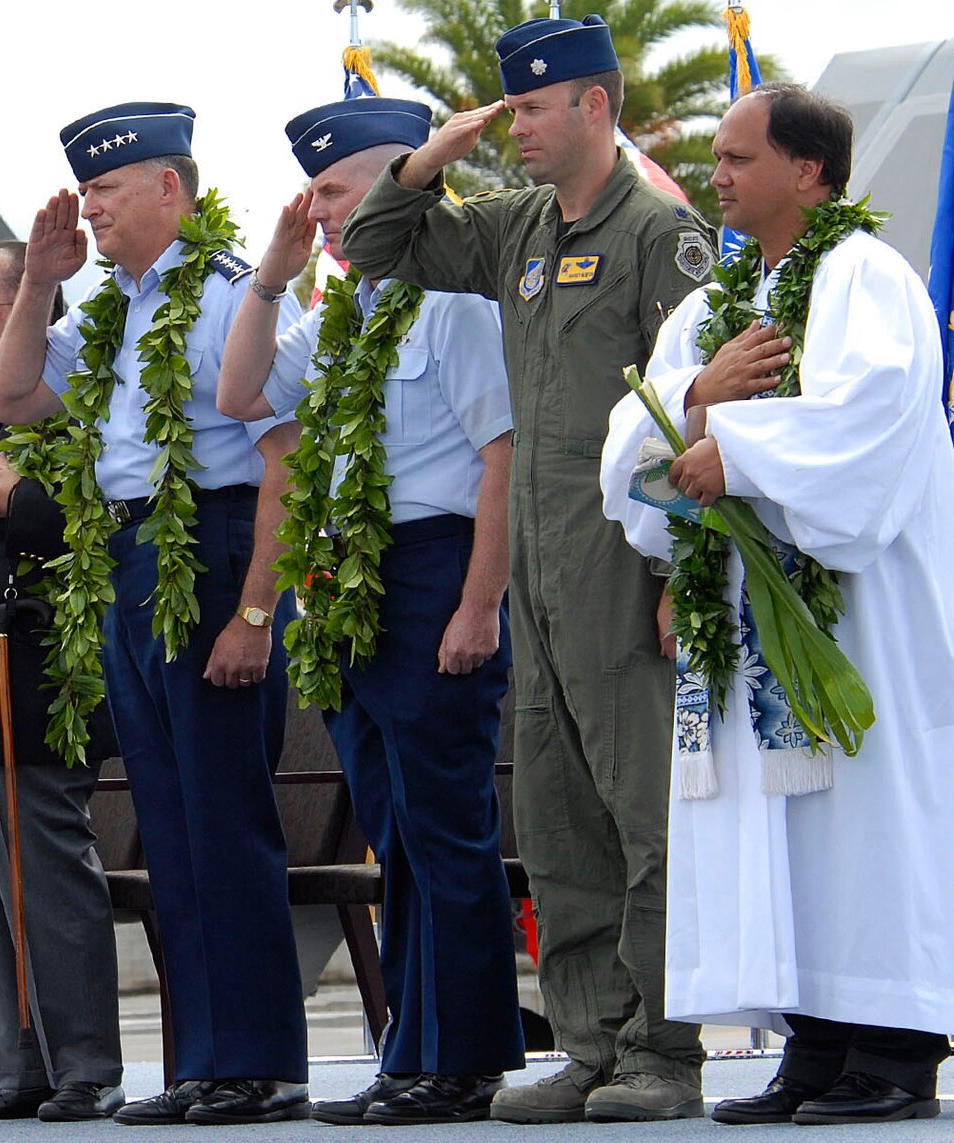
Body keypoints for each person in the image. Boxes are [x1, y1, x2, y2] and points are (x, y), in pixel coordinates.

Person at [340, 15, 715, 1123]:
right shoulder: (512, 228)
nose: (517, 132)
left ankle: (663, 1047)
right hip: (538, 566)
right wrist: (425, 162)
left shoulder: (658, 232)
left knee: (640, 809)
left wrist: (675, 579)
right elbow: (373, 247)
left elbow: (690, 406)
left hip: (621, 554)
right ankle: (591, 1042)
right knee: (553, 811)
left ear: (592, 107)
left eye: (533, 111)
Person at [600, 83, 954, 1127]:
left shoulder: (862, 277)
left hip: (855, 603)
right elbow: (638, 426)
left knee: (860, 813)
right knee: (778, 822)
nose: (715, 175)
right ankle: (814, 1047)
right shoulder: (716, 303)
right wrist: (703, 400)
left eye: (736, 158)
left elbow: (869, 418)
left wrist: (733, 450)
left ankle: (892, 1053)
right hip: (744, 610)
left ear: (806, 171)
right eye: (713, 158)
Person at [0, 102, 308, 1126]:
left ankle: (257, 1064)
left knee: (223, 823)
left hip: (209, 554)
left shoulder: (225, 296)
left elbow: (282, 461)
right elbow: (14, 396)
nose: (91, 208)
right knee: (168, 828)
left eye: (106, 191)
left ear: (169, 189)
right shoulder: (112, 309)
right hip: (131, 555)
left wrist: (254, 612)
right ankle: (203, 1061)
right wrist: (39, 278)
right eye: (84, 191)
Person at [218, 97, 523, 1126]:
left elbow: (500, 462)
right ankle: (410, 1047)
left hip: (434, 569)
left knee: (445, 826)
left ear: (404, 179)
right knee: (392, 830)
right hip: (352, 580)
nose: (322, 212)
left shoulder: (457, 299)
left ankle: (465, 1054)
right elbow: (241, 392)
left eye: (336, 191)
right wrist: (269, 271)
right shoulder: (339, 307)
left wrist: (479, 603)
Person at [0, 240, 125, 1123]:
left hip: (34, 678)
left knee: (46, 873)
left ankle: (84, 1063)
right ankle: (22, 1063)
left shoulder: (66, 399)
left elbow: (111, 517)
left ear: (25, 312)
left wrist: (25, 503)